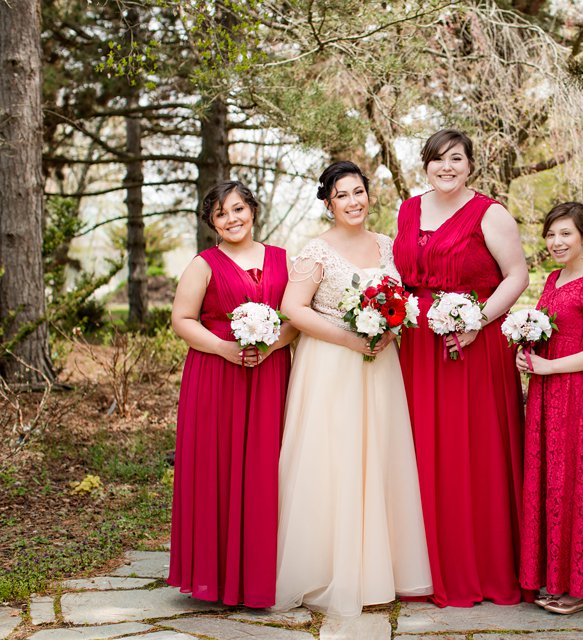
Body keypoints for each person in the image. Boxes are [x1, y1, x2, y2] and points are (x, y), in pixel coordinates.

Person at [273, 161, 432, 616]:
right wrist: (349, 337)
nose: (353, 201)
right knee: (334, 459)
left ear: (369, 195)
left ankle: (382, 569)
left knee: (380, 455)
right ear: (328, 203)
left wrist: (389, 331)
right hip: (330, 366)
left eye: (358, 191)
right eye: (342, 195)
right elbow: (293, 308)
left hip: (380, 366)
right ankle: (328, 570)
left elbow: (401, 302)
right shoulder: (315, 252)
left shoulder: (387, 245)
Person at [393, 129, 531, 607]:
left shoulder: (490, 213)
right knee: (420, 449)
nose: (446, 167)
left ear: (470, 164)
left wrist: (480, 319)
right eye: (437, 159)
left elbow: (517, 275)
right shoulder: (408, 210)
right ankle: (422, 566)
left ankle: (480, 565)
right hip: (416, 346)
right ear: (425, 165)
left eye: (456, 159)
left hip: (471, 343)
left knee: (471, 450)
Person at [168, 181, 296, 608]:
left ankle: (264, 572)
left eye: (238, 208)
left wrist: (273, 346)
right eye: (221, 214)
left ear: (253, 210)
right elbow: (182, 319)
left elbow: (297, 315)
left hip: (270, 373)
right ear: (212, 223)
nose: (232, 219)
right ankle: (216, 575)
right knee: (217, 468)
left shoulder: (283, 259)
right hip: (216, 376)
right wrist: (225, 348)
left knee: (267, 467)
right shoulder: (203, 264)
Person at [515, 202, 583, 614]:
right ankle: (556, 578)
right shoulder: (553, 279)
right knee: (552, 484)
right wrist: (526, 356)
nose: (557, 242)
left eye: (565, 234)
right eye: (551, 234)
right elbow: (549, 332)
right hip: (547, 397)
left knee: (579, 485)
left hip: (580, 396)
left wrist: (549, 366)